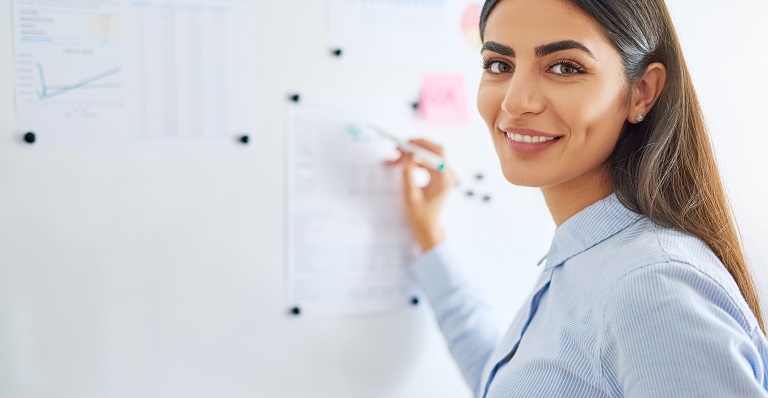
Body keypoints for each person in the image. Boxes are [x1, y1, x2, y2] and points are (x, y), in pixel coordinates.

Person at [385, 0, 768, 396]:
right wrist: (428, 234)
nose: (515, 102)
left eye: (564, 67)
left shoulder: (652, 288)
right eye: (499, 64)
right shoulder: (590, 255)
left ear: (642, 92)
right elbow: (505, 385)